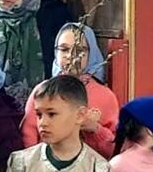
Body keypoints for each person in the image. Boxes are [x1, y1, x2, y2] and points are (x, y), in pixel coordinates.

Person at [19, 23, 119, 157]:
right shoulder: (43, 91)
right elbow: (28, 138)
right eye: (64, 49)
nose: (71, 56)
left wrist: (95, 128)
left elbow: (114, 148)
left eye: (80, 50)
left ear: (91, 54)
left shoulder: (105, 96)